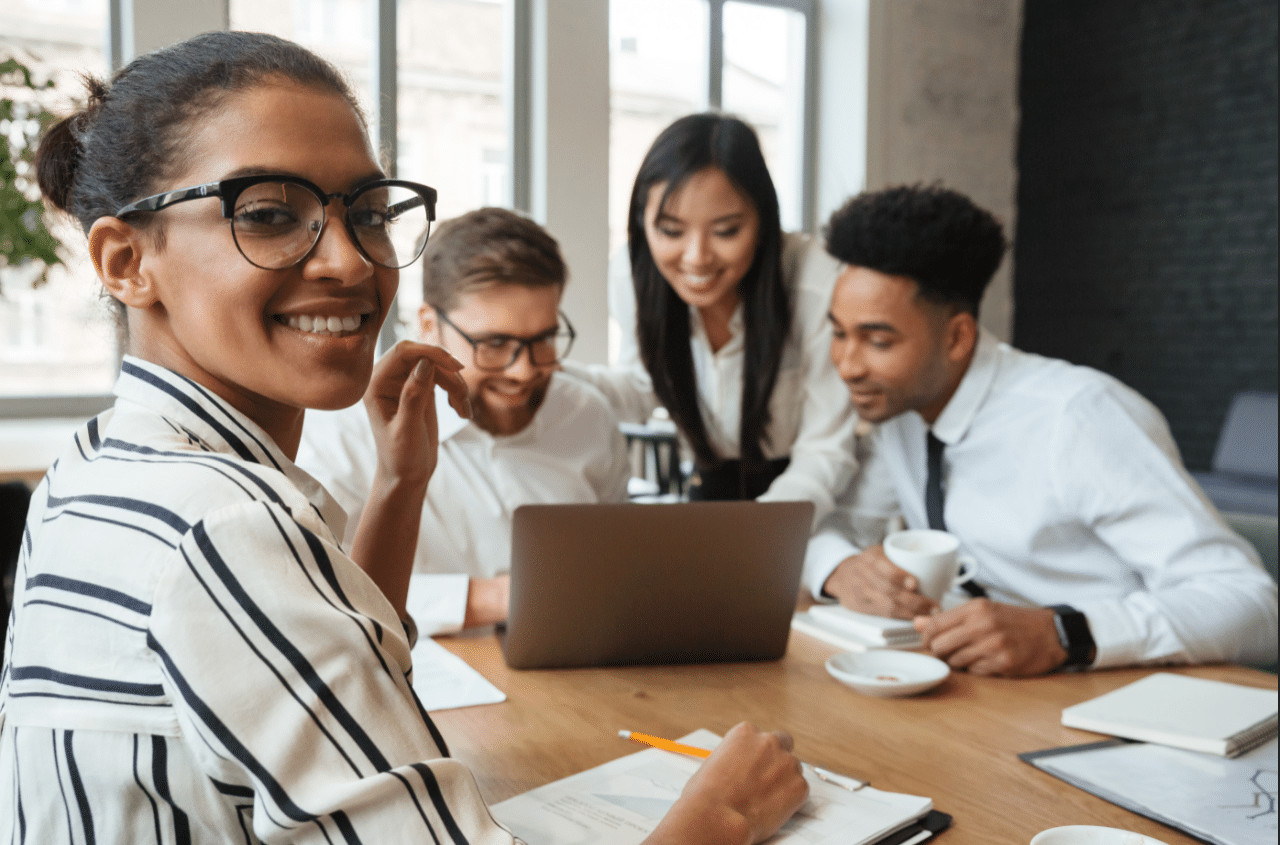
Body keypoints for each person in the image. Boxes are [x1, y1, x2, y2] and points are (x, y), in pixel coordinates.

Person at [0, 31, 808, 843]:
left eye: (369, 212)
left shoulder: (93, 464)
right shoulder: (224, 528)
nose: (352, 262)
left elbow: (345, 677)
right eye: (272, 214)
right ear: (125, 260)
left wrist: (399, 480)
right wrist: (723, 813)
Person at [808, 184, 1278, 677]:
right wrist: (839, 570)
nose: (847, 365)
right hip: (995, 697)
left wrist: (1064, 633)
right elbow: (841, 525)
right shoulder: (901, 410)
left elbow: (1252, 606)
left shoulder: (1079, 417)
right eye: (839, 333)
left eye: (878, 340)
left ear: (957, 337)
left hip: (1117, 694)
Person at [298, 208, 629, 635]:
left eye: (543, 340)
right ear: (429, 325)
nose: (523, 371)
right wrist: (496, 597)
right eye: (494, 344)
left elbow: (619, 565)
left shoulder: (587, 415)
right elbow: (321, 598)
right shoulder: (343, 433)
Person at [567, 113, 854, 515]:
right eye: (670, 231)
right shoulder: (631, 276)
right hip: (708, 481)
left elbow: (826, 446)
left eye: (726, 232)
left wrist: (761, 533)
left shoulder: (815, 283)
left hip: (812, 492)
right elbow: (642, 387)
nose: (696, 258)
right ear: (641, 221)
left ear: (763, 223)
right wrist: (550, 370)